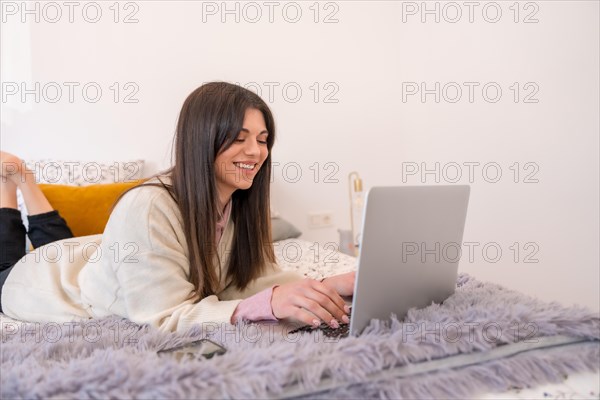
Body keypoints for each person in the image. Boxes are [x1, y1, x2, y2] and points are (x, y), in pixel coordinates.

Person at [0, 82, 355, 333]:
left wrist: (326, 286)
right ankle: (16, 180)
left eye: (262, 140)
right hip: (36, 281)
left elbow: (249, 281)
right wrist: (266, 306)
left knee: (57, 240)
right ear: (202, 138)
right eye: (239, 137)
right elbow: (165, 317)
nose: (255, 152)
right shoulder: (148, 206)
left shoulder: (239, 203)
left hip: (90, 255)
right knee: (10, 261)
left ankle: (21, 180)